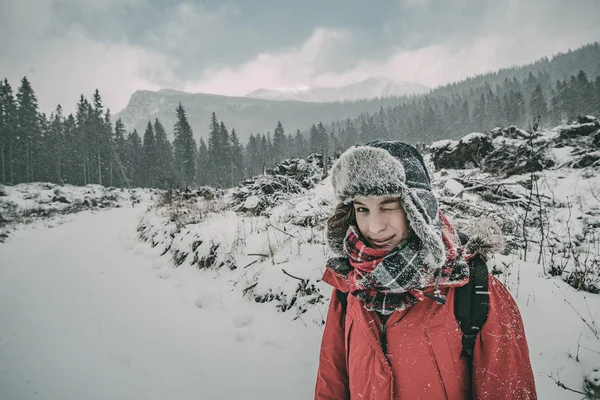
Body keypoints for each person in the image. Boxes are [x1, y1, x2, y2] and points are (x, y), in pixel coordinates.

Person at [314, 140, 537, 400]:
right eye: (362, 208)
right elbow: (332, 382)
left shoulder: (475, 291)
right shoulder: (350, 283)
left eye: (389, 206)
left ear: (419, 208)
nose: (374, 227)